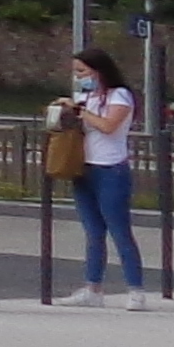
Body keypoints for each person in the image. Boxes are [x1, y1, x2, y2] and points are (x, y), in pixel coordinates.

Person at [61, 45, 147, 302]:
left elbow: (109, 126)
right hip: (84, 166)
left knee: (119, 230)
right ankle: (92, 287)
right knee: (93, 231)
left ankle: (135, 289)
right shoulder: (87, 98)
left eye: (82, 71)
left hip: (111, 168)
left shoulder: (119, 95)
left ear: (98, 70)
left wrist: (81, 112)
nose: (79, 77)